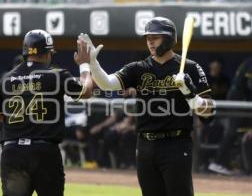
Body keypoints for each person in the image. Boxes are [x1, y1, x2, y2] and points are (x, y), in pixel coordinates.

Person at [78, 17, 214, 196]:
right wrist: (94, 65)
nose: (150, 42)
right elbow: (107, 84)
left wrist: (190, 94)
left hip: (176, 144)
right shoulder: (139, 68)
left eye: (155, 37)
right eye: (147, 38)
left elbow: (209, 112)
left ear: (169, 39)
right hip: (145, 146)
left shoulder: (191, 68)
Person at [0, 30, 93, 196]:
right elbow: (87, 92)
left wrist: (22, 121)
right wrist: (85, 65)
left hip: (13, 152)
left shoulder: (6, 78)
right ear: (47, 53)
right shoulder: (57, 75)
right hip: (44, 152)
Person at [208, 57, 252, 175]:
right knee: (231, 132)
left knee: (238, 133)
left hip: (242, 102)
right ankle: (218, 163)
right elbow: (250, 85)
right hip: (238, 101)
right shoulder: (250, 62)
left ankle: (231, 164)